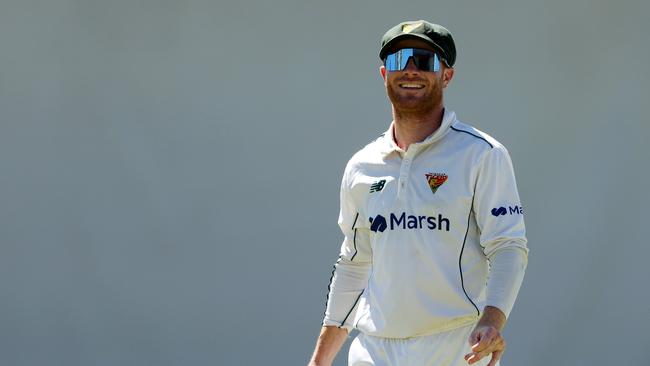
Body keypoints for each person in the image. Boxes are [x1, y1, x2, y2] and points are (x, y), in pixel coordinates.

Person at [307, 20, 528, 366]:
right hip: (375, 349)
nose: (410, 70)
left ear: (447, 75)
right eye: (398, 60)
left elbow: (508, 246)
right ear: (383, 74)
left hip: (456, 347)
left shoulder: (482, 154)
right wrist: (319, 360)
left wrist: (492, 320)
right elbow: (354, 263)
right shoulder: (361, 165)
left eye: (423, 61)